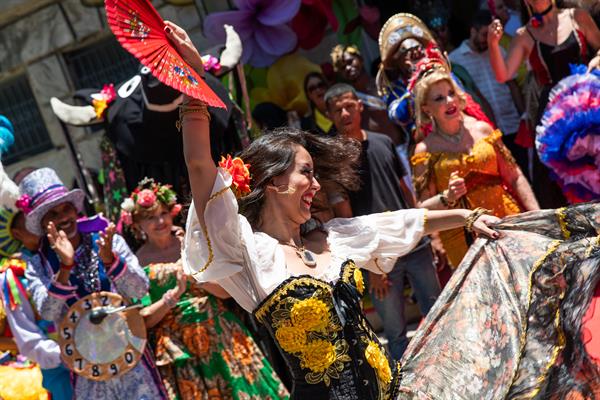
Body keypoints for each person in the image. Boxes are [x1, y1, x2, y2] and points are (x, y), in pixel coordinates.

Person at [163, 21, 500, 399]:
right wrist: (192, 76)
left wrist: (468, 217)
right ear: (273, 182)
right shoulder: (251, 256)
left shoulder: (332, 239)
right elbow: (198, 165)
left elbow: (400, 223)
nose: (318, 185)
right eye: (306, 173)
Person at [121, 178, 289, 400]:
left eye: (163, 213)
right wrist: (172, 297)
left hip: (219, 333)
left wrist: (196, 277)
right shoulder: (137, 261)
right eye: (150, 217)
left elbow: (227, 292)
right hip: (179, 349)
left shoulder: (193, 242)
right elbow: (143, 320)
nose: (160, 221)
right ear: (137, 226)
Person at [19, 168, 167, 399]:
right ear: (43, 222)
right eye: (53, 214)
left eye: (66, 208)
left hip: (130, 358)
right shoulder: (37, 264)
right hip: (87, 371)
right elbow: (48, 312)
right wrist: (65, 268)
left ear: (76, 209)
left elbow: (140, 289)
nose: (63, 218)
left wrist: (110, 261)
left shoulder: (107, 239)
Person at [325, 83, 443, 360]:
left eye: (349, 106)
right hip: (378, 257)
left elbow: (406, 191)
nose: (345, 113)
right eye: (337, 109)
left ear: (360, 106)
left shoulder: (383, 142)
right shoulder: (335, 161)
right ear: (329, 115)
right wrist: (373, 264)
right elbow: (346, 219)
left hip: (414, 244)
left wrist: (430, 235)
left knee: (438, 314)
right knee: (396, 332)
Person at [410, 55, 539, 269]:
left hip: (505, 220)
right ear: (426, 109)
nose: (449, 101)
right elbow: (422, 208)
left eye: (451, 93)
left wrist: (535, 215)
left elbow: (515, 176)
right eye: (439, 98)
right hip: (463, 239)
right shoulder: (424, 151)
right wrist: (447, 196)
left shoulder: (482, 129)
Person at [488, 0, 600, 207]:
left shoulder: (577, 16)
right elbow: (503, 75)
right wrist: (493, 44)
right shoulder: (525, 34)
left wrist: (595, 61)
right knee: (566, 179)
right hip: (556, 115)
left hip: (589, 102)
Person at [376, 13, 496, 145]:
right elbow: (398, 117)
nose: (416, 54)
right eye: (407, 52)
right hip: (427, 146)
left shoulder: (442, 73)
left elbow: (460, 95)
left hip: (462, 135)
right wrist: (416, 80)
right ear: (398, 60)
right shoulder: (395, 88)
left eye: (418, 49)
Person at [0, 209, 73, 399]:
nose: (40, 224)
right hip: (61, 370)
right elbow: (28, 337)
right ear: (17, 233)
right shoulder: (13, 275)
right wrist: (68, 356)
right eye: (30, 221)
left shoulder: (67, 252)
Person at [450, 9, 528, 173]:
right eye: (484, 34)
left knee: (524, 171)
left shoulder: (498, 50)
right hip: (485, 130)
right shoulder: (455, 60)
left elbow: (512, 85)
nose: (488, 40)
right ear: (473, 31)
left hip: (513, 125)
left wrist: (523, 115)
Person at [330, 44, 404, 145]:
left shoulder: (383, 84)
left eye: (350, 61)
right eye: (342, 68)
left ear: (360, 59)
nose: (348, 68)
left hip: (403, 145)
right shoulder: (349, 100)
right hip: (380, 151)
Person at [301, 72, 333, 136]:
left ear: (327, 87)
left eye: (320, 85)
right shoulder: (306, 124)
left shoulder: (342, 110)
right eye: (312, 88)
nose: (318, 90)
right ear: (308, 95)